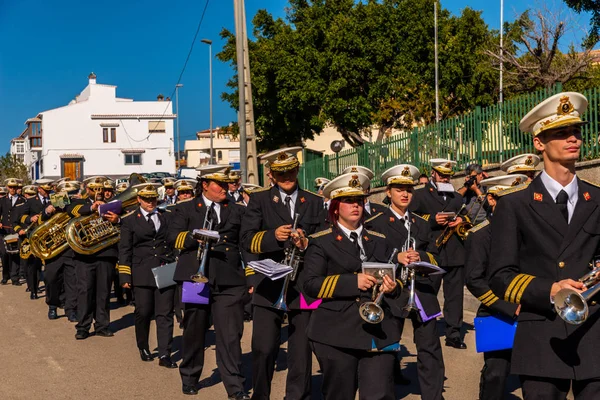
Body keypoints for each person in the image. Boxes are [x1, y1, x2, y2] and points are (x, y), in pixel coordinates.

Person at [489, 92, 600, 399]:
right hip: (541, 334)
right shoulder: (514, 205)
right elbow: (500, 276)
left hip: (594, 333)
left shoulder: (597, 199)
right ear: (539, 143)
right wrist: (550, 289)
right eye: (561, 133)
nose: (573, 139)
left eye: (576, 131)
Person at [303, 172, 403, 400]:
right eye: (348, 201)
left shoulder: (379, 239)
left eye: (359, 201)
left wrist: (393, 286)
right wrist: (352, 282)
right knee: (339, 394)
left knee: (380, 394)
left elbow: (396, 280)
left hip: (379, 330)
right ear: (336, 207)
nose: (355, 206)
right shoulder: (321, 241)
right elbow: (310, 285)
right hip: (336, 331)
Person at [240, 147, 326, 400]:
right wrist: (272, 237)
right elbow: (246, 240)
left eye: (290, 171)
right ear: (271, 175)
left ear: (298, 169)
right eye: (280, 173)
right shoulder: (260, 200)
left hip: (303, 283)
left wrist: (306, 242)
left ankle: (297, 397)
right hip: (269, 282)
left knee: (301, 350)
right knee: (264, 348)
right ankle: (261, 395)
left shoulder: (314, 201)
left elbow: (324, 239)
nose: (286, 176)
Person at [169, 165, 249, 399]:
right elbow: (173, 237)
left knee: (230, 334)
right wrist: (196, 235)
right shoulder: (185, 208)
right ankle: (190, 376)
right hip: (195, 277)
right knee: (194, 329)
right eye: (220, 184)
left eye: (227, 184)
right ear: (205, 185)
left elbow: (244, 241)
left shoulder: (237, 210)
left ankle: (235, 386)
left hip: (229, 279)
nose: (225, 188)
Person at [365, 164, 445, 400]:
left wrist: (420, 257)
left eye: (409, 189)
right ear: (388, 192)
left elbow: (436, 256)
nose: (405, 194)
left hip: (420, 291)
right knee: (388, 347)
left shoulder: (421, 223)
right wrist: (396, 257)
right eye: (399, 188)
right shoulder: (377, 222)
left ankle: (433, 395)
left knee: (430, 347)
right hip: (391, 291)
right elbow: (369, 257)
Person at [465, 174, 528, 400]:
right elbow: (474, 279)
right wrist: (508, 307)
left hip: (532, 311)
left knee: (535, 377)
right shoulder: (480, 235)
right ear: (491, 199)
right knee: (496, 374)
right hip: (498, 313)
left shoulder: (529, 232)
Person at [410, 159, 468, 349]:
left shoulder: (457, 197)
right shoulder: (420, 195)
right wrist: (432, 219)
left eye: (448, 175)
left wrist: (461, 220)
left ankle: (453, 334)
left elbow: (467, 216)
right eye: (441, 174)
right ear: (433, 173)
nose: (445, 178)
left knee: (454, 296)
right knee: (428, 293)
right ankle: (425, 331)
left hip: (455, 252)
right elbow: (411, 218)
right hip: (432, 251)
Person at [118, 183, 177, 368]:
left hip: (164, 267)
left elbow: (172, 241)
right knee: (143, 312)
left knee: (165, 313)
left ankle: (165, 353)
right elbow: (125, 250)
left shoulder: (165, 216)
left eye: (153, 199)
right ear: (139, 200)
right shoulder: (130, 220)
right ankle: (143, 346)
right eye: (146, 199)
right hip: (142, 271)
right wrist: (125, 276)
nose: (150, 202)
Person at [66, 176, 120, 339]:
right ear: (87, 190)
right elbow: (71, 210)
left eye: (101, 189)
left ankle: (102, 325)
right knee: (85, 291)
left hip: (106, 254)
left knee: (103, 291)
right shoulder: (79, 203)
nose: (98, 192)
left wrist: (117, 219)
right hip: (85, 255)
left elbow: (125, 221)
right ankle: (83, 326)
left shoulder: (116, 204)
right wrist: (91, 208)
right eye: (94, 189)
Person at [38, 180, 80, 321]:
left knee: (72, 281)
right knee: (51, 280)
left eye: (72, 193)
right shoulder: (49, 203)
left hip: (70, 249)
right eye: (67, 193)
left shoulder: (77, 205)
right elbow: (39, 221)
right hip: (54, 250)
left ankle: (71, 309)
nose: (70, 196)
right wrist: (46, 212)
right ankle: (52, 306)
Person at [12, 184, 43, 298]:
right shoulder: (20, 206)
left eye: (33, 195)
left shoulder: (39, 204)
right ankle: (31, 286)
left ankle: (35, 286)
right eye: (29, 195)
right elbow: (14, 222)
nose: (31, 196)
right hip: (25, 239)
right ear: (25, 194)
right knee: (28, 265)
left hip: (38, 237)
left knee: (37, 265)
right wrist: (19, 230)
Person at [0, 178, 26, 286]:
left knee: (15, 254)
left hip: (16, 230)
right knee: (4, 253)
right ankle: (5, 276)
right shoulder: (2, 200)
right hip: (4, 230)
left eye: (14, 187)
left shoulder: (22, 200)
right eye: (10, 187)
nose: (12, 189)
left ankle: (15, 277)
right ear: (7, 188)